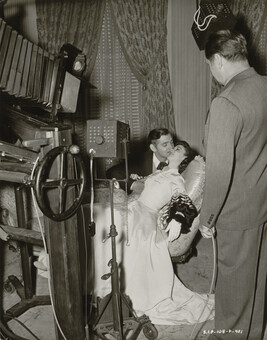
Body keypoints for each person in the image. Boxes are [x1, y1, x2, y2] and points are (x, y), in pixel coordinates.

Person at [91, 141, 214, 325]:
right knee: (102, 217)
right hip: (134, 208)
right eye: (174, 147)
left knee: (110, 220)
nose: (173, 149)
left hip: (145, 217)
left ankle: (114, 291)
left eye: (178, 149)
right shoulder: (161, 173)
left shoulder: (175, 179)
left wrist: (179, 219)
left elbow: (183, 201)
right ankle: (99, 282)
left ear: (184, 160)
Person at [199, 30, 267, 340]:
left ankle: (230, 336)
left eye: (211, 66)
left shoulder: (226, 102)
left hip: (237, 212)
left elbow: (219, 170)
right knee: (256, 280)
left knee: (232, 290)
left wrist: (207, 217)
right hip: (262, 204)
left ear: (216, 61)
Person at [106, 127, 174, 192]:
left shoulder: (180, 158)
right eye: (165, 145)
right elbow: (112, 172)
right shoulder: (141, 161)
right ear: (153, 148)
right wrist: (133, 185)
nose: (171, 147)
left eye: (171, 142)